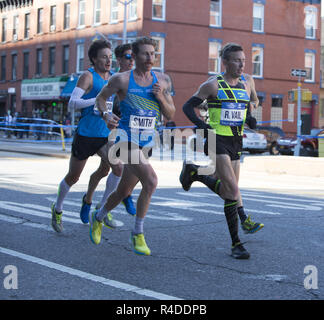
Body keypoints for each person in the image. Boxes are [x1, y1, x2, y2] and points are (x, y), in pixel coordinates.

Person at [89, 36, 176, 256]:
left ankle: (98, 217)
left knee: (123, 191)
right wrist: (107, 114)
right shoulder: (122, 79)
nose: (150, 58)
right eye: (145, 54)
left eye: (153, 54)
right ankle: (137, 233)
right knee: (152, 181)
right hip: (125, 140)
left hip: (146, 142)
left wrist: (161, 98)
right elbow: (101, 99)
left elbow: (171, 113)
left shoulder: (162, 80)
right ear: (134, 56)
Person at [180, 43, 264, 259]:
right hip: (216, 139)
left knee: (229, 192)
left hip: (236, 141)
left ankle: (194, 172)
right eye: (237, 60)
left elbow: (246, 106)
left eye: (244, 60)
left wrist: (251, 118)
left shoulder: (246, 84)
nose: (242, 64)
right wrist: (201, 125)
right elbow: (188, 106)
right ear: (225, 63)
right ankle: (236, 244)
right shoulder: (212, 85)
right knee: (233, 190)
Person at [51, 39, 123, 233]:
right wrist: (96, 100)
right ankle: (57, 209)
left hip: (104, 134)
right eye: (104, 57)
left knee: (118, 168)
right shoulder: (88, 77)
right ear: (93, 59)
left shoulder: (114, 78)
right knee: (73, 177)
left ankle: (102, 208)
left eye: (110, 57)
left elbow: (113, 105)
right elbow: (72, 103)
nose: (109, 61)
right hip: (85, 134)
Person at [79, 43, 137, 221]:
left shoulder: (134, 79)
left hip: (124, 130)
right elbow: (101, 100)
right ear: (119, 60)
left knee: (109, 169)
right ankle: (93, 202)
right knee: (115, 167)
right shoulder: (114, 79)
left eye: (134, 57)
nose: (132, 61)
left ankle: (101, 205)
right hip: (107, 130)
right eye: (128, 57)